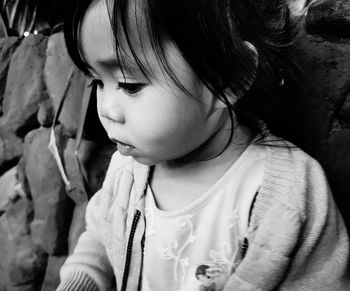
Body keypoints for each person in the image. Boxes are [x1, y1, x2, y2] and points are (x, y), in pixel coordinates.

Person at [58, 0, 350, 290]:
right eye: (97, 82)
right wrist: (80, 281)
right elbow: (101, 233)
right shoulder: (127, 170)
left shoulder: (288, 195)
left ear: (228, 78)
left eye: (129, 84)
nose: (107, 108)